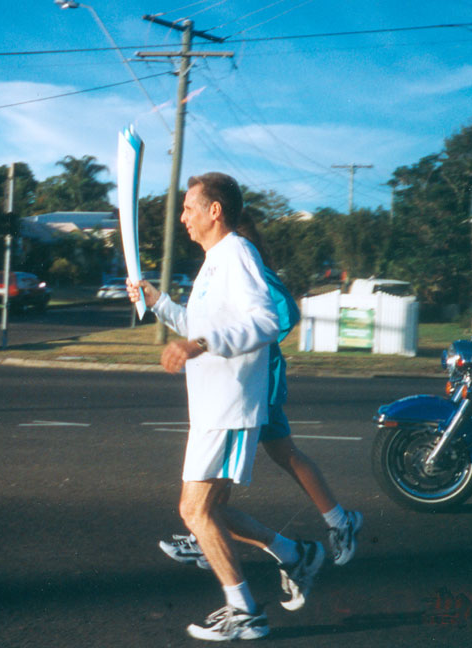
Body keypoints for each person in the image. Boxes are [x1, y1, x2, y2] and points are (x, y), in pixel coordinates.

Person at [127, 173, 324, 641]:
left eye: (189, 208)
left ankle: (245, 611)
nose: (183, 217)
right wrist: (160, 304)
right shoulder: (216, 261)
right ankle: (296, 555)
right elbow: (202, 323)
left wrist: (199, 344)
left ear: (215, 210)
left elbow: (265, 321)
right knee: (208, 511)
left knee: (196, 513)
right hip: (213, 407)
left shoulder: (237, 253)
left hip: (230, 407)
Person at [159, 249, 362, 571]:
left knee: (278, 454)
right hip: (247, 380)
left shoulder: (245, 264)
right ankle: (338, 520)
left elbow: (283, 316)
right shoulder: (221, 265)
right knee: (277, 454)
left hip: (257, 379)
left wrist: (255, 346)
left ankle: (339, 521)